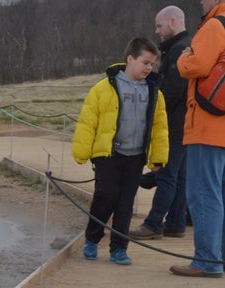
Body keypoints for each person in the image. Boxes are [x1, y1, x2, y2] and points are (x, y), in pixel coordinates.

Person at [72, 36, 168, 265]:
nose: (149, 68)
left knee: (126, 204)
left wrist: (158, 158)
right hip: (109, 155)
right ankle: (92, 239)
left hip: (135, 157)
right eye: (145, 62)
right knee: (105, 197)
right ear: (130, 59)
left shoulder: (154, 91)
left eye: (152, 64)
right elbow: (88, 121)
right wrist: (82, 151)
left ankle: (119, 248)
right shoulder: (103, 88)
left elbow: (159, 127)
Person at [170, 0, 225, 278]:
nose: (201, 3)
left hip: (207, 125)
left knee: (204, 193)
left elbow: (196, 66)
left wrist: (182, 57)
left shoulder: (215, 26)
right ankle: (218, 257)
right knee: (220, 194)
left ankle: (206, 261)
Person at [130, 6, 190, 239]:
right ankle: (175, 222)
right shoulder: (184, 47)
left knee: (166, 175)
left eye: (159, 26)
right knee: (179, 176)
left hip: (173, 124)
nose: (157, 31)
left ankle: (154, 224)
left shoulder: (177, 51)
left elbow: (173, 89)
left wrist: (152, 111)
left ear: (173, 21)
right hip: (184, 122)